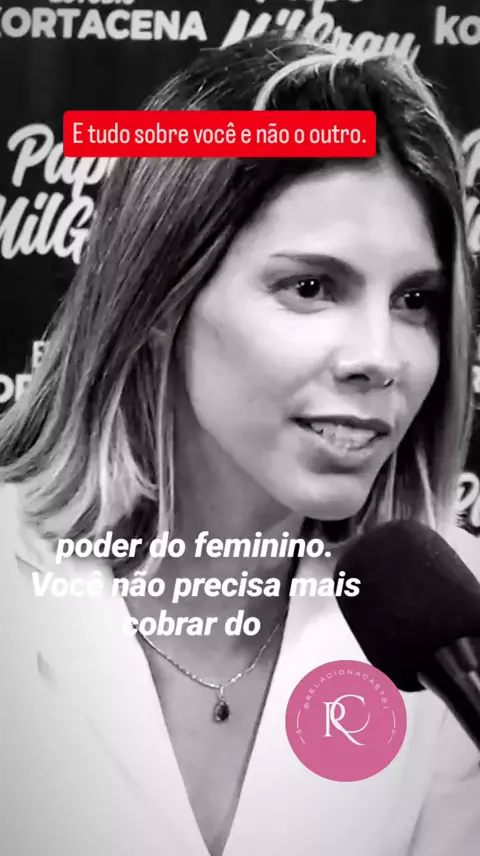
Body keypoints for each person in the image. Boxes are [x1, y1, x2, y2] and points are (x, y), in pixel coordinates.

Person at [0, 31, 479, 856]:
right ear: (159, 300)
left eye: (415, 301)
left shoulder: (458, 623)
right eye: (311, 286)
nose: (381, 358)